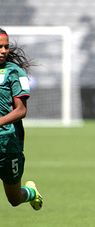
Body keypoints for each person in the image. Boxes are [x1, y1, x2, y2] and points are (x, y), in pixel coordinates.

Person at [0, 28, 43, 210]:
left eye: (6, 47)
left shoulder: (15, 72)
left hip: (9, 144)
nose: (3, 51)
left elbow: (21, 111)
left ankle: (32, 193)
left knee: (14, 199)